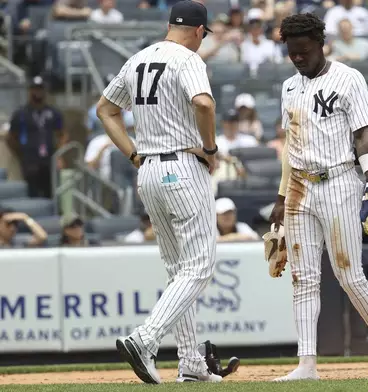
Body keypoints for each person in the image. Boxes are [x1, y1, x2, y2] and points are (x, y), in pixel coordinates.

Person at [96, 0, 222, 384]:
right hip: (183, 166)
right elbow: (202, 102)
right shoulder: (187, 58)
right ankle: (145, 339)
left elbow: (105, 109)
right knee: (199, 266)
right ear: (199, 31)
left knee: (177, 271)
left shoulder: (137, 59)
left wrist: (133, 153)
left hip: (148, 168)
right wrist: (212, 148)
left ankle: (192, 365)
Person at [268, 12, 368, 381]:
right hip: (299, 187)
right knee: (302, 277)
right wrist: (280, 196)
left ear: (320, 44)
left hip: (339, 180)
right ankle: (306, 363)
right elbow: (291, 144)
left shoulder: (347, 78)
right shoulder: (289, 87)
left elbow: (365, 134)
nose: (298, 57)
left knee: (349, 275)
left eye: (304, 50)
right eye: (292, 52)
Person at [7, 76, 66, 198]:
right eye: (35, 89)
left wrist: (59, 154)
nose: (38, 92)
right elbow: (11, 137)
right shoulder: (21, 113)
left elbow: (62, 134)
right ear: (30, 91)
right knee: (32, 194)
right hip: (30, 161)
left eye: (40, 89)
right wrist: (21, 153)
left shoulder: (53, 112)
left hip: (49, 160)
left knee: (50, 193)